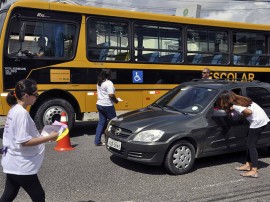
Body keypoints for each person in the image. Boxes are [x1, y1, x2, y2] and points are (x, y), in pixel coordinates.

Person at [0, 79, 59, 202]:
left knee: (9, 194)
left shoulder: (14, 109)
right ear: (27, 96)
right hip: (21, 165)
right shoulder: (21, 113)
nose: (37, 97)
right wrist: (49, 137)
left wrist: (41, 134)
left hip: (12, 161)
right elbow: (24, 141)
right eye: (36, 94)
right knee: (39, 196)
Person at [218, 90, 269, 178]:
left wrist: (238, 112)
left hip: (257, 122)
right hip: (262, 119)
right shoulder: (241, 100)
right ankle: (248, 164)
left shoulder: (235, 105)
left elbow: (249, 112)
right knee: (248, 143)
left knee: (251, 145)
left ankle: (254, 170)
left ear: (226, 100)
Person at [95, 69, 119, 146]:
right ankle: (114, 141)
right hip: (107, 105)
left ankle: (97, 141)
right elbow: (111, 95)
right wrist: (116, 100)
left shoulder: (99, 83)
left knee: (101, 123)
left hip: (99, 104)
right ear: (109, 75)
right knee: (114, 123)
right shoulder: (109, 83)